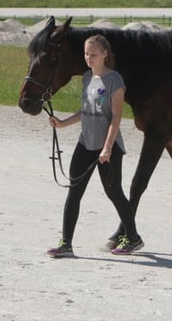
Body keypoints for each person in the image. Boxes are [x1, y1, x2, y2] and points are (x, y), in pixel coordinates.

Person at [46, 34, 143, 258]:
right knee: (74, 192)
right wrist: (62, 123)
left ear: (105, 54)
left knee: (114, 193)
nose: (89, 58)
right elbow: (87, 112)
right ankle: (66, 243)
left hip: (107, 147)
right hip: (85, 143)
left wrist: (107, 147)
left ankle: (133, 237)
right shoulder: (88, 77)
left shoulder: (114, 80)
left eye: (93, 54)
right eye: (86, 54)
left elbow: (116, 117)